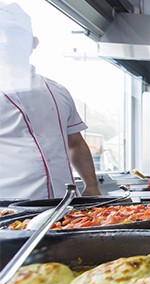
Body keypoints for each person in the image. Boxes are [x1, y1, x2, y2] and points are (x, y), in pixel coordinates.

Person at [0, 2, 100, 199]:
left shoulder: (58, 90)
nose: (5, 40)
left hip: (65, 206)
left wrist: (91, 184)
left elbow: (75, 142)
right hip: (8, 210)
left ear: (33, 43)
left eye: (15, 33)